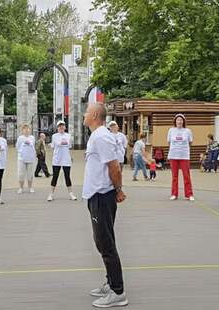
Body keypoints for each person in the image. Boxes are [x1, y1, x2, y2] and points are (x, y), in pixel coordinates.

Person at [82, 103, 128, 308]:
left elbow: (114, 166)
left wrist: (118, 189)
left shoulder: (101, 136)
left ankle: (118, 291)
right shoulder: (98, 135)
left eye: (86, 111)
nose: (84, 114)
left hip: (102, 196)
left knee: (105, 244)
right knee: (102, 241)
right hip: (97, 195)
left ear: (93, 115)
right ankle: (111, 283)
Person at [47, 120, 77, 202]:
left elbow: (69, 147)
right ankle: (51, 194)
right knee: (55, 176)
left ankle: (71, 193)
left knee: (67, 176)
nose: (61, 127)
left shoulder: (69, 136)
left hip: (66, 159)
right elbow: (53, 146)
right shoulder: (54, 136)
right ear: (57, 128)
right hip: (57, 159)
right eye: (59, 126)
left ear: (65, 127)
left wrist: (71, 157)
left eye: (62, 125)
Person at [167, 114, 195, 201]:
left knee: (186, 176)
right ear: (175, 121)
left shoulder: (187, 131)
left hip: (184, 156)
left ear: (183, 121)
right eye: (178, 120)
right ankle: (174, 194)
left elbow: (190, 142)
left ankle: (189, 194)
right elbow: (169, 142)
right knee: (174, 176)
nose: (179, 121)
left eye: (181, 120)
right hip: (173, 155)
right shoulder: (171, 130)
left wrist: (183, 149)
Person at [16, 124, 37, 194]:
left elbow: (33, 147)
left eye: (28, 129)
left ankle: (30, 187)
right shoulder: (20, 138)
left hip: (30, 159)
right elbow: (17, 148)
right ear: (22, 130)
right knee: (21, 174)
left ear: (30, 130)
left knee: (30, 174)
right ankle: (21, 188)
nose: (26, 130)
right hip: (22, 159)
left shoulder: (32, 138)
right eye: (24, 129)